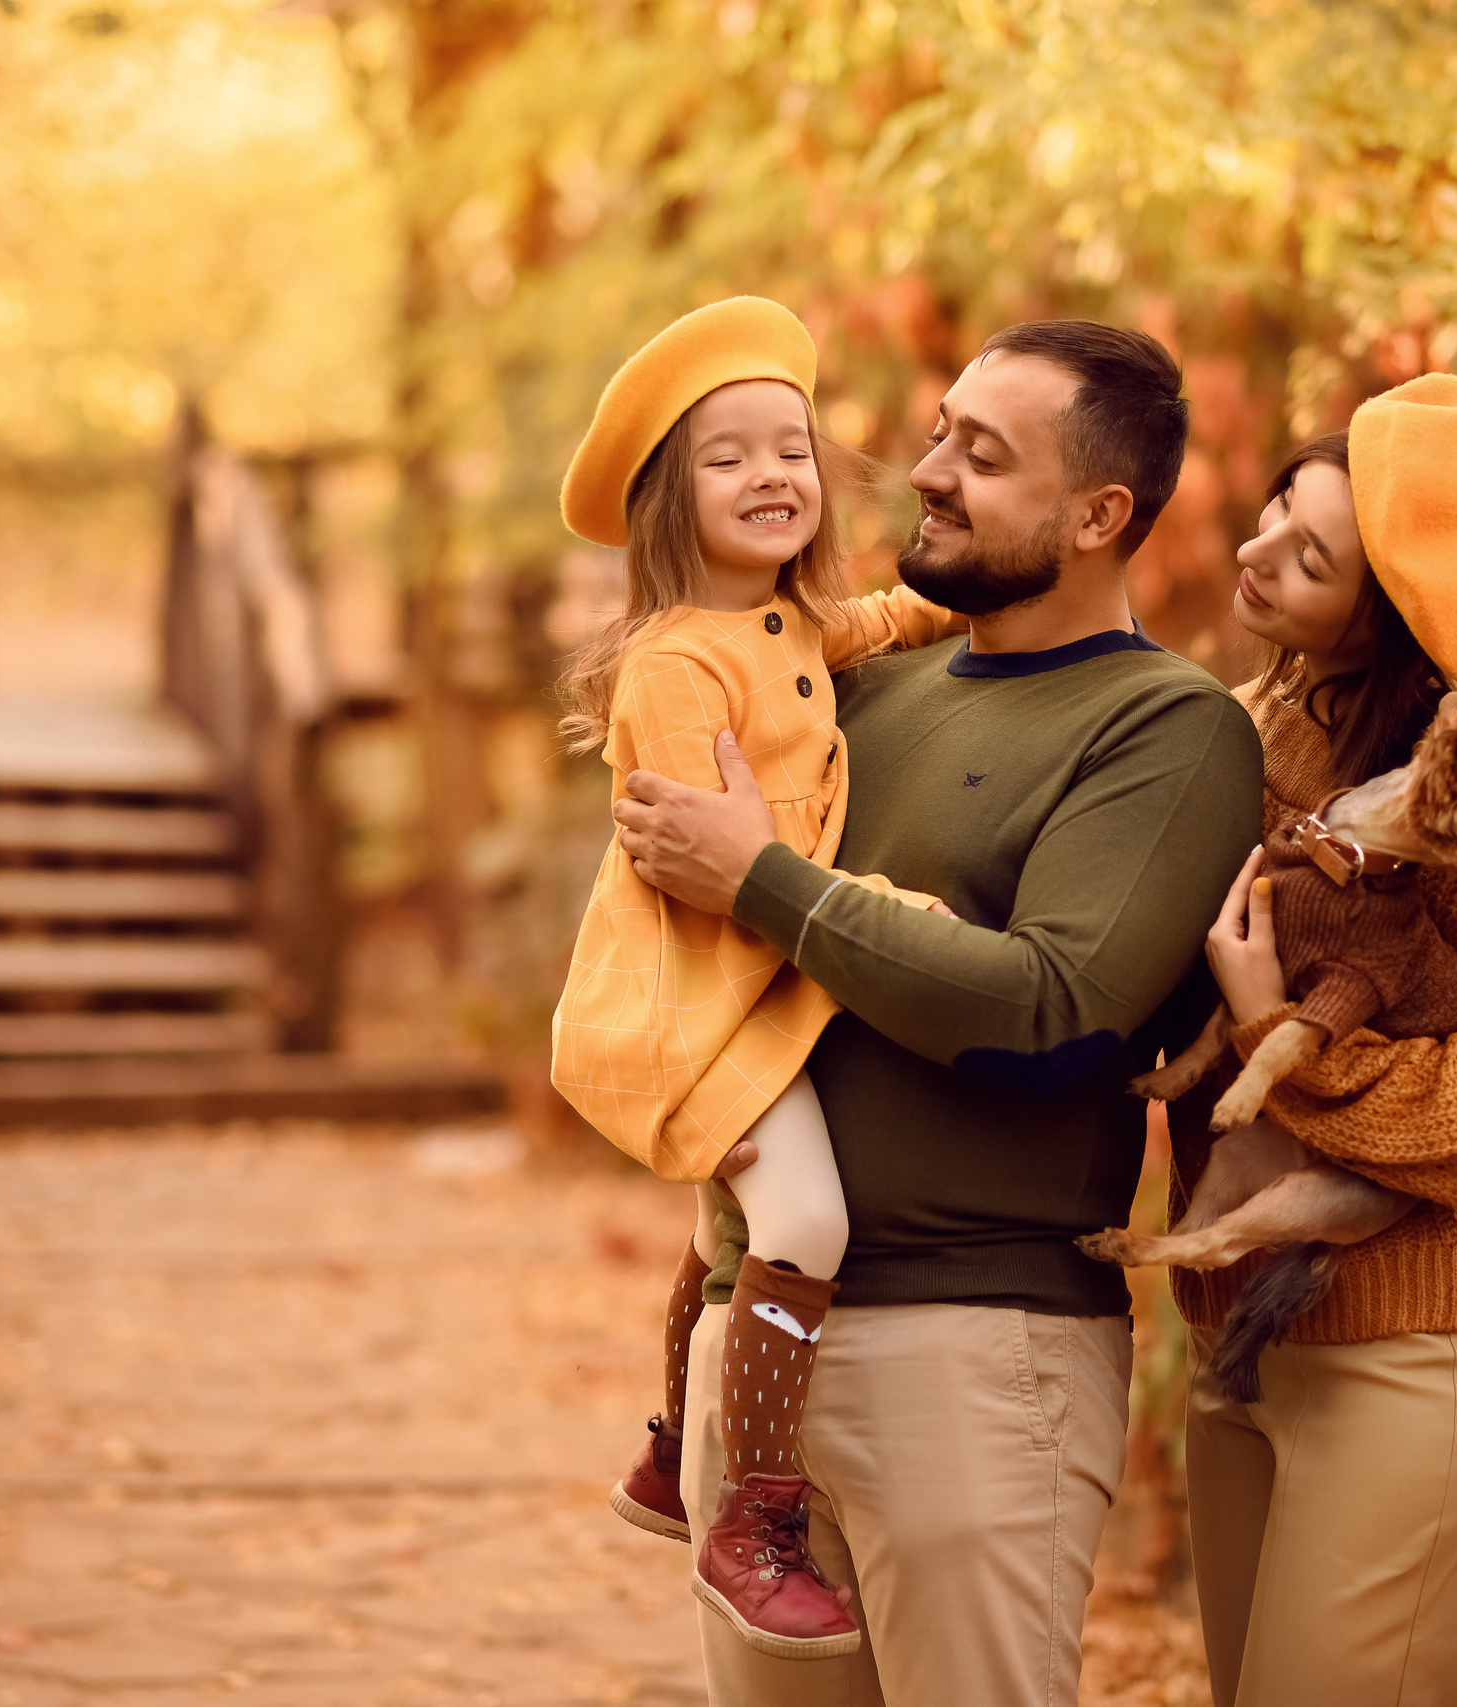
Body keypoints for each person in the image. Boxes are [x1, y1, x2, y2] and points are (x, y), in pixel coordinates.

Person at [612, 320, 1262, 1706]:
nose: (927, 472)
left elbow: (1053, 1010)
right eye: (940, 434)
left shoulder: (1164, 726)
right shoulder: (850, 692)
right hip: (757, 1337)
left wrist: (767, 881)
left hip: (970, 1354)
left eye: (984, 455)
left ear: (1098, 515)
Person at [549, 296, 968, 1661]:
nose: (772, 474)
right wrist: (870, 908)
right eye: (727, 457)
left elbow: (867, 626)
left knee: (715, 1225)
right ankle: (753, 1516)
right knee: (803, 1220)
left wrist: (960, 595)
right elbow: (700, 869)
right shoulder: (674, 664)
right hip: (699, 996)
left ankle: (676, 1448)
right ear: (668, 502)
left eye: (792, 448)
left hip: (749, 986)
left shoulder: (781, 623)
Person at [1177, 373, 1457, 1705]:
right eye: (1275, 514)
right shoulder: (1232, 731)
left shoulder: (1449, 791)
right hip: (1242, 1344)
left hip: (1415, 1357)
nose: (1258, 554)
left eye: (1311, 560)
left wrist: (1284, 1041)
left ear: (1388, 619)